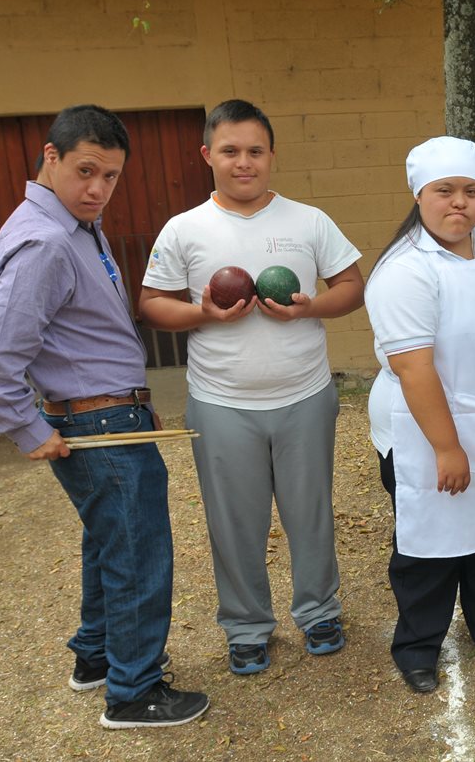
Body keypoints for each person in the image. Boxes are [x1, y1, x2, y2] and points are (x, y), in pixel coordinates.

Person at [0, 104, 209, 729]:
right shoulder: (45, 240)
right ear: (51, 157)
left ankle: (98, 658)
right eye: (85, 171)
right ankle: (134, 692)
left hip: (110, 418)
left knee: (112, 544)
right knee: (138, 553)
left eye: (111, 177)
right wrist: (28, 428)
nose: (98, 189)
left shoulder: (73, 225)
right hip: (97, 427)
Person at [139, 99, 364, 674]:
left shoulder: (308, 220)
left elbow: (351, 286)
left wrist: (309, 306)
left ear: (271, 155)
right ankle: (246, 626)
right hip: (221, 403)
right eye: (230, 151)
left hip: (304, 396)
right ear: (207, 155)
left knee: (308, 511)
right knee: (234, 520)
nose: (244, 163)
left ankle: (318, 611)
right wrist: (205, 315)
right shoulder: (184, 228)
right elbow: (152, 305)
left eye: (255, 151)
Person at [364, 136, 475, 694]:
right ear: (419, 195)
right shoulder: (404, 270)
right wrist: (447, 447)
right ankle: (418, 645)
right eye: (444, 191)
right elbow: (415, 370)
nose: (458, 203)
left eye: (471, 191)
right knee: (428, 548)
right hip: (428, 429)